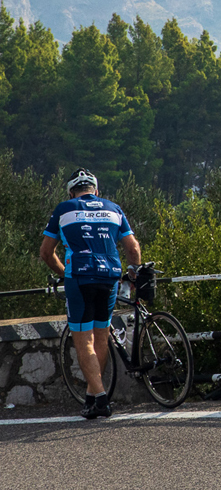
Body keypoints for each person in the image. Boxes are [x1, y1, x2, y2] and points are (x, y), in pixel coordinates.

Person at [38, 169, 141, 419]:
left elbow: (46, 252)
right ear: (96, 191)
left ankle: (102, 399)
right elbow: (133, 247)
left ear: (72, 192)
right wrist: (134, 274)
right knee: (101, 336)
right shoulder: (114, 208)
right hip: (110, 276)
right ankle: (93, 396)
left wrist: (64, 273)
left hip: (80, 278)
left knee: (84, 340)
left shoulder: (64, 209)